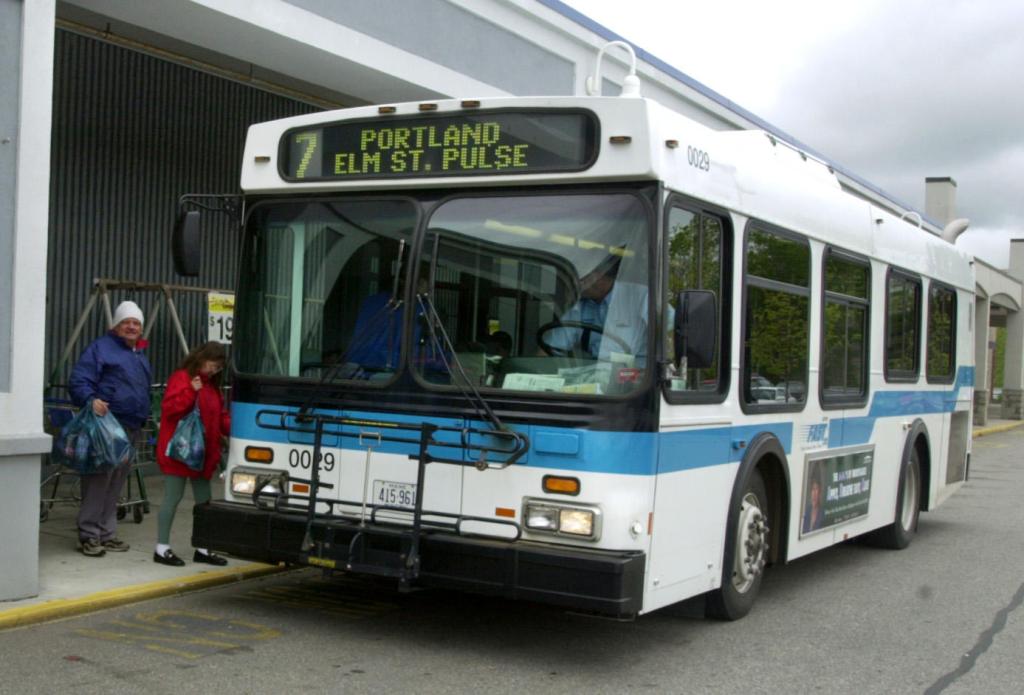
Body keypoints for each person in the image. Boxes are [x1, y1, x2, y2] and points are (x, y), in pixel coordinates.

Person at [68, 300, 153, 557]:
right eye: (126, 322)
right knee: (98, 480)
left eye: (136, 323)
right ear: (114, 326)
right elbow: (79, 380)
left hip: (130, 426)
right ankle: (90, 535)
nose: (131, 326)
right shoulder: (100, 349)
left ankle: (107, 533)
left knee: (115, 482)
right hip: (106, 427)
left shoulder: (138, 354)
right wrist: (90, 399)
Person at [153, 341, 231, 567]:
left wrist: (235, 427)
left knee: (204, 502)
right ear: (201, 358)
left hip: (201, 454)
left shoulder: (212, 386)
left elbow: (220, 416)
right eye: (211, 364)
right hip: (181, 452)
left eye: (217, 367)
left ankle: (204, 548)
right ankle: (162, 547)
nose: (213, 370)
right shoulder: (183, 378)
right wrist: (191, 391)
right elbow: (170, 409)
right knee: (172, 498)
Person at [548, 255, 650, 362]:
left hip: (639, 374)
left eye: (581, 276)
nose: (576, 282)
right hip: (594, 372)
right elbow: (552, 346)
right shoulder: (580, 305)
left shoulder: (641, 297)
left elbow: (668, 335)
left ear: (600, 275)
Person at [802, 464, 826, 533]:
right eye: (813, 489)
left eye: (816, 489)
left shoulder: (822, 513)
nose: (814, 493)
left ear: (820, 492)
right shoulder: (806, 511)